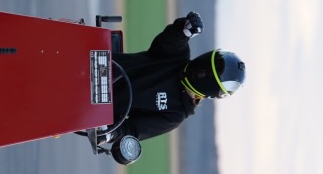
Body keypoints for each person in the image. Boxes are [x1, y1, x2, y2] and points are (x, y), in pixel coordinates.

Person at [103, 11, 246, 143]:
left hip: (97, 106)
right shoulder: (177, 55)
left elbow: (132, 130)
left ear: (211, 87)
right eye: (206, 65)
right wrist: (185, 29)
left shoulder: (175, 115)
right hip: (100, 63)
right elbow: (170, 40)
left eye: (206, 73)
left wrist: (111, 134)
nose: (202, 71)